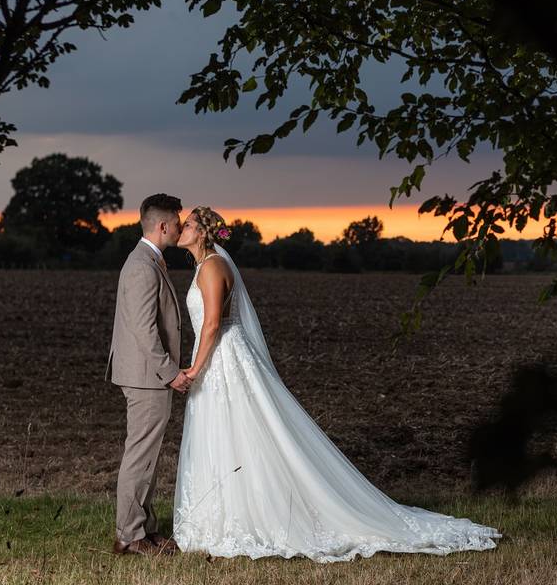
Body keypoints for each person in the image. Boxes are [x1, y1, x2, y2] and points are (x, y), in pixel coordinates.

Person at [172, 205, 502, 562]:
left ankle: (247, 517)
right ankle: (226, 513)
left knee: (239, 432)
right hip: (224, 355)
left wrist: (193, 368)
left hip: (222, 357)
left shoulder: (211, 268)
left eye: (187, 224)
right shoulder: (208, 266)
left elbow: (211, 324)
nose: (181, 228)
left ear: (203, 233)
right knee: (231, 433)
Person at [105, 194, 193, 556]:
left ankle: (145, 526)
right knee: (140, 454)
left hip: (146, 375)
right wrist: (170, 373)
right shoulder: (142, 265)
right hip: (147, 376)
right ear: (163, 226)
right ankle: (129, 535)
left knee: (148, 454)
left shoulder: (148, 260)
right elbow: (144, 330)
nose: (180, 226)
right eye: (177, 221)